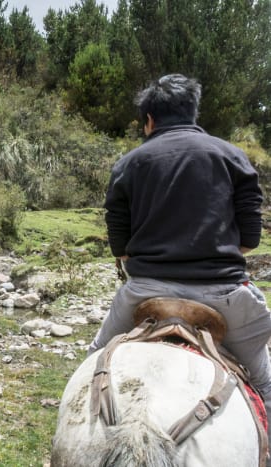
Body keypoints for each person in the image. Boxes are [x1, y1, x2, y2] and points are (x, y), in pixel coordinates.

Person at [87, 73, 271, 455]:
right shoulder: (232, 156)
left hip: (145, 294)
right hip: (224, 299)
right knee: (266, 386)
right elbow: (250, 239)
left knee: (91, 366)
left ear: (149, 120)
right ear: (193, 112)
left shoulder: (129, 163)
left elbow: (119, 246)